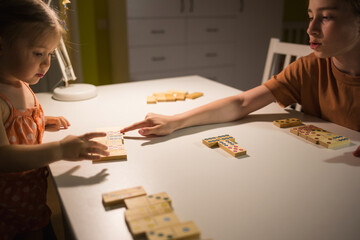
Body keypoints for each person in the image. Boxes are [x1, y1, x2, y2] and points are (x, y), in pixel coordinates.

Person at [121, 0, 360, 157]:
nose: (311, 29)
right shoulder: (308, 68)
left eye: (326, 17)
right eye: (310, 16)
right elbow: (243, 103)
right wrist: (175, 121)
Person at [0, 0, 109, 239]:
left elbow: (13, 125)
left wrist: (39, 120)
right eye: (38, 53)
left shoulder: (20, 84)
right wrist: (59, 148)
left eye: (50, 54)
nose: (47, 63)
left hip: (31, 206)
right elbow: (4, 156)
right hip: (7, 216)